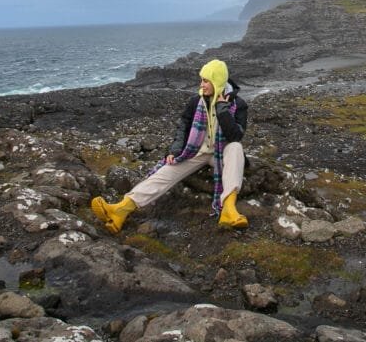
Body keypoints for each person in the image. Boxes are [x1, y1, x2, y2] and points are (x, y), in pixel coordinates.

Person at [90, 58, 249, 234]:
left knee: (235, 148)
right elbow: (183, 127)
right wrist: (174, 150)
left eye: (206, 80)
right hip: (197, 150)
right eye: (201, 80)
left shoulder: (238, 105)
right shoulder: (196, 101)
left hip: (222, 151)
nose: (201, 84)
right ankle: (121, 209)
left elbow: (235, 135)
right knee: (165, 172)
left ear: (217, 81)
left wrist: (221, 109)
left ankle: (229, 209)